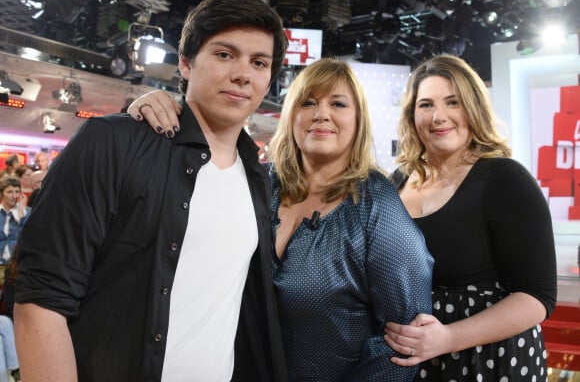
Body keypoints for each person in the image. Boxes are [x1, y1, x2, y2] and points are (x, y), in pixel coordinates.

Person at [14, 0, 289, 382]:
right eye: (225, 54)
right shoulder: (113, 142)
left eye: (258, 62)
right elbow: (41, 300)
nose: (243, 73)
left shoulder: (259, 180)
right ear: (185, 63)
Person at [128, 58, 434, 381]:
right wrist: (149, 108)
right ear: (291, 116)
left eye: (338, 103)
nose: (321, 114)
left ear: (358, 120)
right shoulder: (257, 182)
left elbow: (402, 343)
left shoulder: (376, 203)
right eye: (308, 102)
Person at [384, 54, 557, 381]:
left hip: (489, 362)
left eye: (453, 102)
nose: (439, 116)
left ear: (474, 108)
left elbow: (537, 297)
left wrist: (447, 338)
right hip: (412, 364)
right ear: (411, 115)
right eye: (425, 105)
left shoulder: (504, 178)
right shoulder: (396, 183)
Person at [0, 177, 29, 263]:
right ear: (1, 194)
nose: (14, 196)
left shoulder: (27, 212)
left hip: (18, 263)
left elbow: (26, 239)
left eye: (17, 192)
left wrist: (21, 215)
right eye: (9, 192)